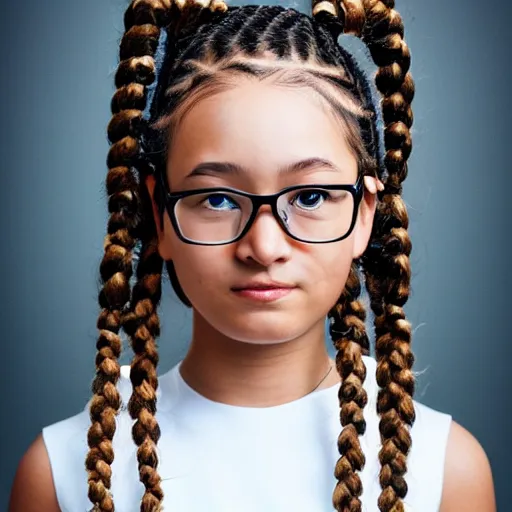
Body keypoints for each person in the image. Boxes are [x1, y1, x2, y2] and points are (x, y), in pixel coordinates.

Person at [9, 0, 496, 511]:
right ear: (160, 214)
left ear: (365, 214)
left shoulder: (446, 473)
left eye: (310, 196)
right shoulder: (60, 474)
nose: (263, 248)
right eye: (217, 198)